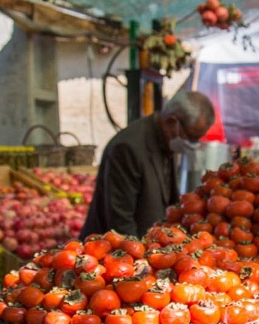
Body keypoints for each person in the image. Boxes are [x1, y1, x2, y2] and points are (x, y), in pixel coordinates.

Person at [79, 91, 215, 238]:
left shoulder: (168, 141)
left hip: (150, 244)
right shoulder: (128, 148)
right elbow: (120, 221)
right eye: (191, 137)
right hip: (111, 250)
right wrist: (141, 257)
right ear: (171, 121)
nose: (192, 144)